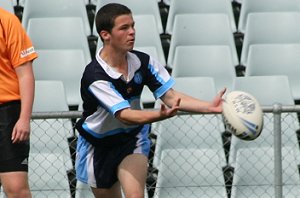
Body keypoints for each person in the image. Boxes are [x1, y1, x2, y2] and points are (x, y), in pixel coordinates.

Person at [75, 3, 225, 198]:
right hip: (98, 144)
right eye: (124, 28)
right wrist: (158, 115)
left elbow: (171, 97)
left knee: (136, 195)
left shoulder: (143, 62)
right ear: (105, 35)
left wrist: (209, 106)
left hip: (132, 139)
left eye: (133, 26)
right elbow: (125, 115)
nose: (132, 32)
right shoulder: (95, 75)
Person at [0, 8, 38, 198]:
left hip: (6, 113)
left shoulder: (7, 21)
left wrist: (24, 118)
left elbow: (25, 74)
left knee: (16, 189)